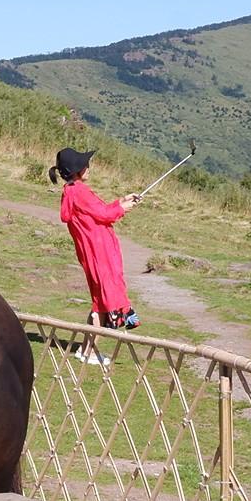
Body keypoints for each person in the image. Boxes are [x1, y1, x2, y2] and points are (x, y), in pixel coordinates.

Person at [51, 146, 143, 360]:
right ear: (77, 170)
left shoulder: (71, 191)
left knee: (99, 301)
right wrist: (124, 208)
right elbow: (104, 215)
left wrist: (121, 201)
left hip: (92, 253)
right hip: (100, 253)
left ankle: (86, 349)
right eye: (85, 165)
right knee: (103, 302)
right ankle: (89, 351)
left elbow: (97, 212)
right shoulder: (80, 191)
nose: (88, 167)